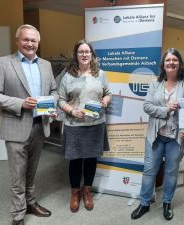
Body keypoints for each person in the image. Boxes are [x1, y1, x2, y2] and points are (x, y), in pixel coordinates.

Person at [0, 24, 58, 225]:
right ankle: (18, 215)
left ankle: (31, 202)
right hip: (16, 127)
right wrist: (21, 103)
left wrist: (51, 103)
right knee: (18, 176)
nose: (29, 43)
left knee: (31, 171)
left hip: (40, 125)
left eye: (33, 40)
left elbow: (53, 90)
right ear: (17, 41)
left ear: (38, 43)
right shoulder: (2, 64)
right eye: (25, 39)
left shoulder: (45, 65)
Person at [131, 48, 184, 221]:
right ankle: (144, 203)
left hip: (176, 137)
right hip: (156, 135)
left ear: (180, 63)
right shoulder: (155, 84)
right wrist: (166, 109)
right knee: (149, 171)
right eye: (168, 60)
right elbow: (147, 106)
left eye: (175, 60)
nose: (171, 63)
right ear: (163, 64)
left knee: (171, 172)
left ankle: (167, 203)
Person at [58, 39, 111, 213]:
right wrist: (72, 111)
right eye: (81, 51)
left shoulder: (100, 74)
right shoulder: (68, 76)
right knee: (75, 160)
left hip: (95, 124)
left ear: (92, 55)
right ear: (76, 55)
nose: (84, 54)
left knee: (90, 159)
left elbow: (108, 94)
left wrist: (105, 100)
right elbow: (60, 100)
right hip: (74, 124)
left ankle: (86, 191)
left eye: (87, 51)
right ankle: (75, 192)